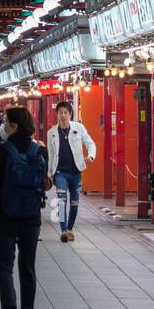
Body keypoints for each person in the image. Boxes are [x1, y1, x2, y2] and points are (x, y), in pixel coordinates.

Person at [0, 107, 47, 309]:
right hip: (31, 217)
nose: (3, 125)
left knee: (5, 266)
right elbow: (44, 183)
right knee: (28, 267)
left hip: (4, 215)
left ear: (15, 125)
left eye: (6, 122)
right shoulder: (40, 151)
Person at [45, 99, 97, 243]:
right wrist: (49, 173)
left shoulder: (79, 128)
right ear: (57, 115)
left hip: (76, 172)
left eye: (65, 113)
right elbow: (50, 153)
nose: (63, 115)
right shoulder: (52, 132)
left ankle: (70, 229)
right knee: (62, 201)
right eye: (60, 113)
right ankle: (63, 231)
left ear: (70, 114)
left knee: (74, 203)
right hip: (60, 172)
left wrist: (91, 156)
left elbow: (90, 143)